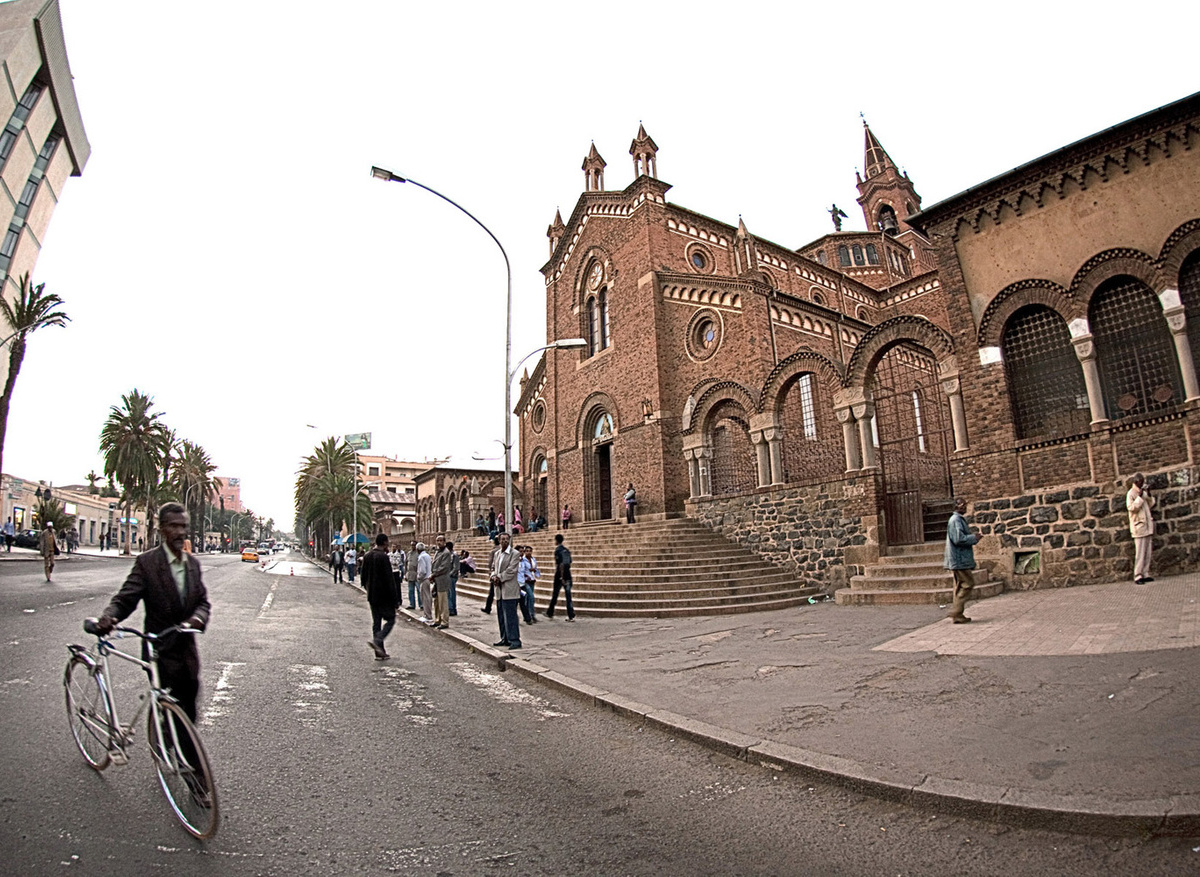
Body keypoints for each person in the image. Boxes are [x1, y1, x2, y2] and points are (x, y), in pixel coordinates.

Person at [91, 504, 212, 803]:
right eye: (174, 526)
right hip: (158, 650)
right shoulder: (147, 564)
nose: (180, 532)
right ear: (161, 529)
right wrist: (110, 617)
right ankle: (195, 779)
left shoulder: (193, 565)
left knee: (189, 707)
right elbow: (126, 598)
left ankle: (163, 733)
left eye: (184, 526)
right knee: (179, 709)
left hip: (186, 648)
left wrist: (198, 617)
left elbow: (203, 602)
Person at [944, 497, 980, 623]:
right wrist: (973, 538)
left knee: (960, 585)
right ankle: (956, 611)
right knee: (967, 584)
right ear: (956, 506)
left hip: (959, 558)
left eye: (965, 504)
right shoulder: (955, 520)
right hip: (959, 559)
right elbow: (958, 539)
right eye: (962, 505)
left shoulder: (958, 520)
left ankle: (958, 615)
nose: (964, 507)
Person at [362, 533, 397, 660]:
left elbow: (363, 577)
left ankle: (379, 652)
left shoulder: (367, 556)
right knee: (391, 619)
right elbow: (389, 580)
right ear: (384, 543)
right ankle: (378, 639)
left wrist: (369, 589)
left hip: (372, 595)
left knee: (376, 622)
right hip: (384, 596)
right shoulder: (383, 557)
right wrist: (395, 599)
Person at [490, 533, 521, 649]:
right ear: (499, 540)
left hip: (509, 589)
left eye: (507, 539)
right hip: (499, 590)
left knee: (511, 616)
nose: (505, 541)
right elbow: (493, 568)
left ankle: (515, 640)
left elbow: (512, 570)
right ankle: (504, 638)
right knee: (501, 616)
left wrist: (499, 578)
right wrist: (493, 576)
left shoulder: (515, 554)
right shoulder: (497, 553)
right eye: (502, 539)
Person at [1127, 473, 1156, 584]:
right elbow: (1132, 508)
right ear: (1136, 482)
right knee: (1140, 553)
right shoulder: (1131, 494)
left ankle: (1145, 573)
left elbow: (1151, 504)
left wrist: (1148, 494)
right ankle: (1138, 575)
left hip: (1147, 525)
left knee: (1147, 552)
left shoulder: (1143, 492)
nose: (1142, 484)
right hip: (1138, 527)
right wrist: (1139, 497)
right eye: (1141, 482)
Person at [546, 533, 575, 621]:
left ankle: (550, 612)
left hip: (560, 575)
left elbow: (561, 564)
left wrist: (562, 577)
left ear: (556, 541)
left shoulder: (558, 551)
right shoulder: (566, 550)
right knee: (568, 596)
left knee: (555, 594)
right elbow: (569, 562)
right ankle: (571, 615)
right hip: (568, 574)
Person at [430, 535, 452, 629]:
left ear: (444, 542)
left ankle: (444, 621)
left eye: (440, 540)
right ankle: (437, 619)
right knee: (436, 601)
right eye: (437, 540)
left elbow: (444, 567)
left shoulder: (446, 553)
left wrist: (434, 574)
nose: (439, 542)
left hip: (442, 579)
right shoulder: (437, 552)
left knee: (443, 601)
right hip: (436, 580)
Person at [519, 544, 539, 624]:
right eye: (526, 551)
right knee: (531, 597)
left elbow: (536, 569)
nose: (528, 552)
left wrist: (535, 573)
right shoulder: (523, 561)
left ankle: (526, 615)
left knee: (527, 599)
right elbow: (521, 570)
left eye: (530, 551)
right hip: (525, 581)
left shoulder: (533, 559)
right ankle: (531, 615)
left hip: (532, 580)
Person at [482, 535, 500, 614]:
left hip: (495, 574)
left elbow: (490, 563)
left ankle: (488, 607)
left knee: (492, 592)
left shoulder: (494, 551)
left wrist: (490, 572)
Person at [416, 542, 433, 622]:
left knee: (425, 597)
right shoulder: (427, 556)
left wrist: (419, 577)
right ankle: (428, 614)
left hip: (424, 578)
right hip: (429, 577)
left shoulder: (421, 557)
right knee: (428, 597)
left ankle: (427, 615)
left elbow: (422, 570)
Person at [404, 540, 419, 610]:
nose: (412, 546)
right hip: (410, 573)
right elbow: (406, 563)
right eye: (412, 545)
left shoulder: (419, 553)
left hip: (417, 573)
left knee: (419, 590)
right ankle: (412, 604)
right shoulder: (409, 553)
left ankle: (421, 604)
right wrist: (405, 573)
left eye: (414, 545)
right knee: (410, 590)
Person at [447, 540, 460, 617]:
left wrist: (450, 574)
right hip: (449, 575)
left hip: (452, 576)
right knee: (449, 593)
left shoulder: (454, 555)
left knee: (451, 593)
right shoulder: (449, 555)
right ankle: (450, 608)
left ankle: (452, 609)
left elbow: (456, 567)